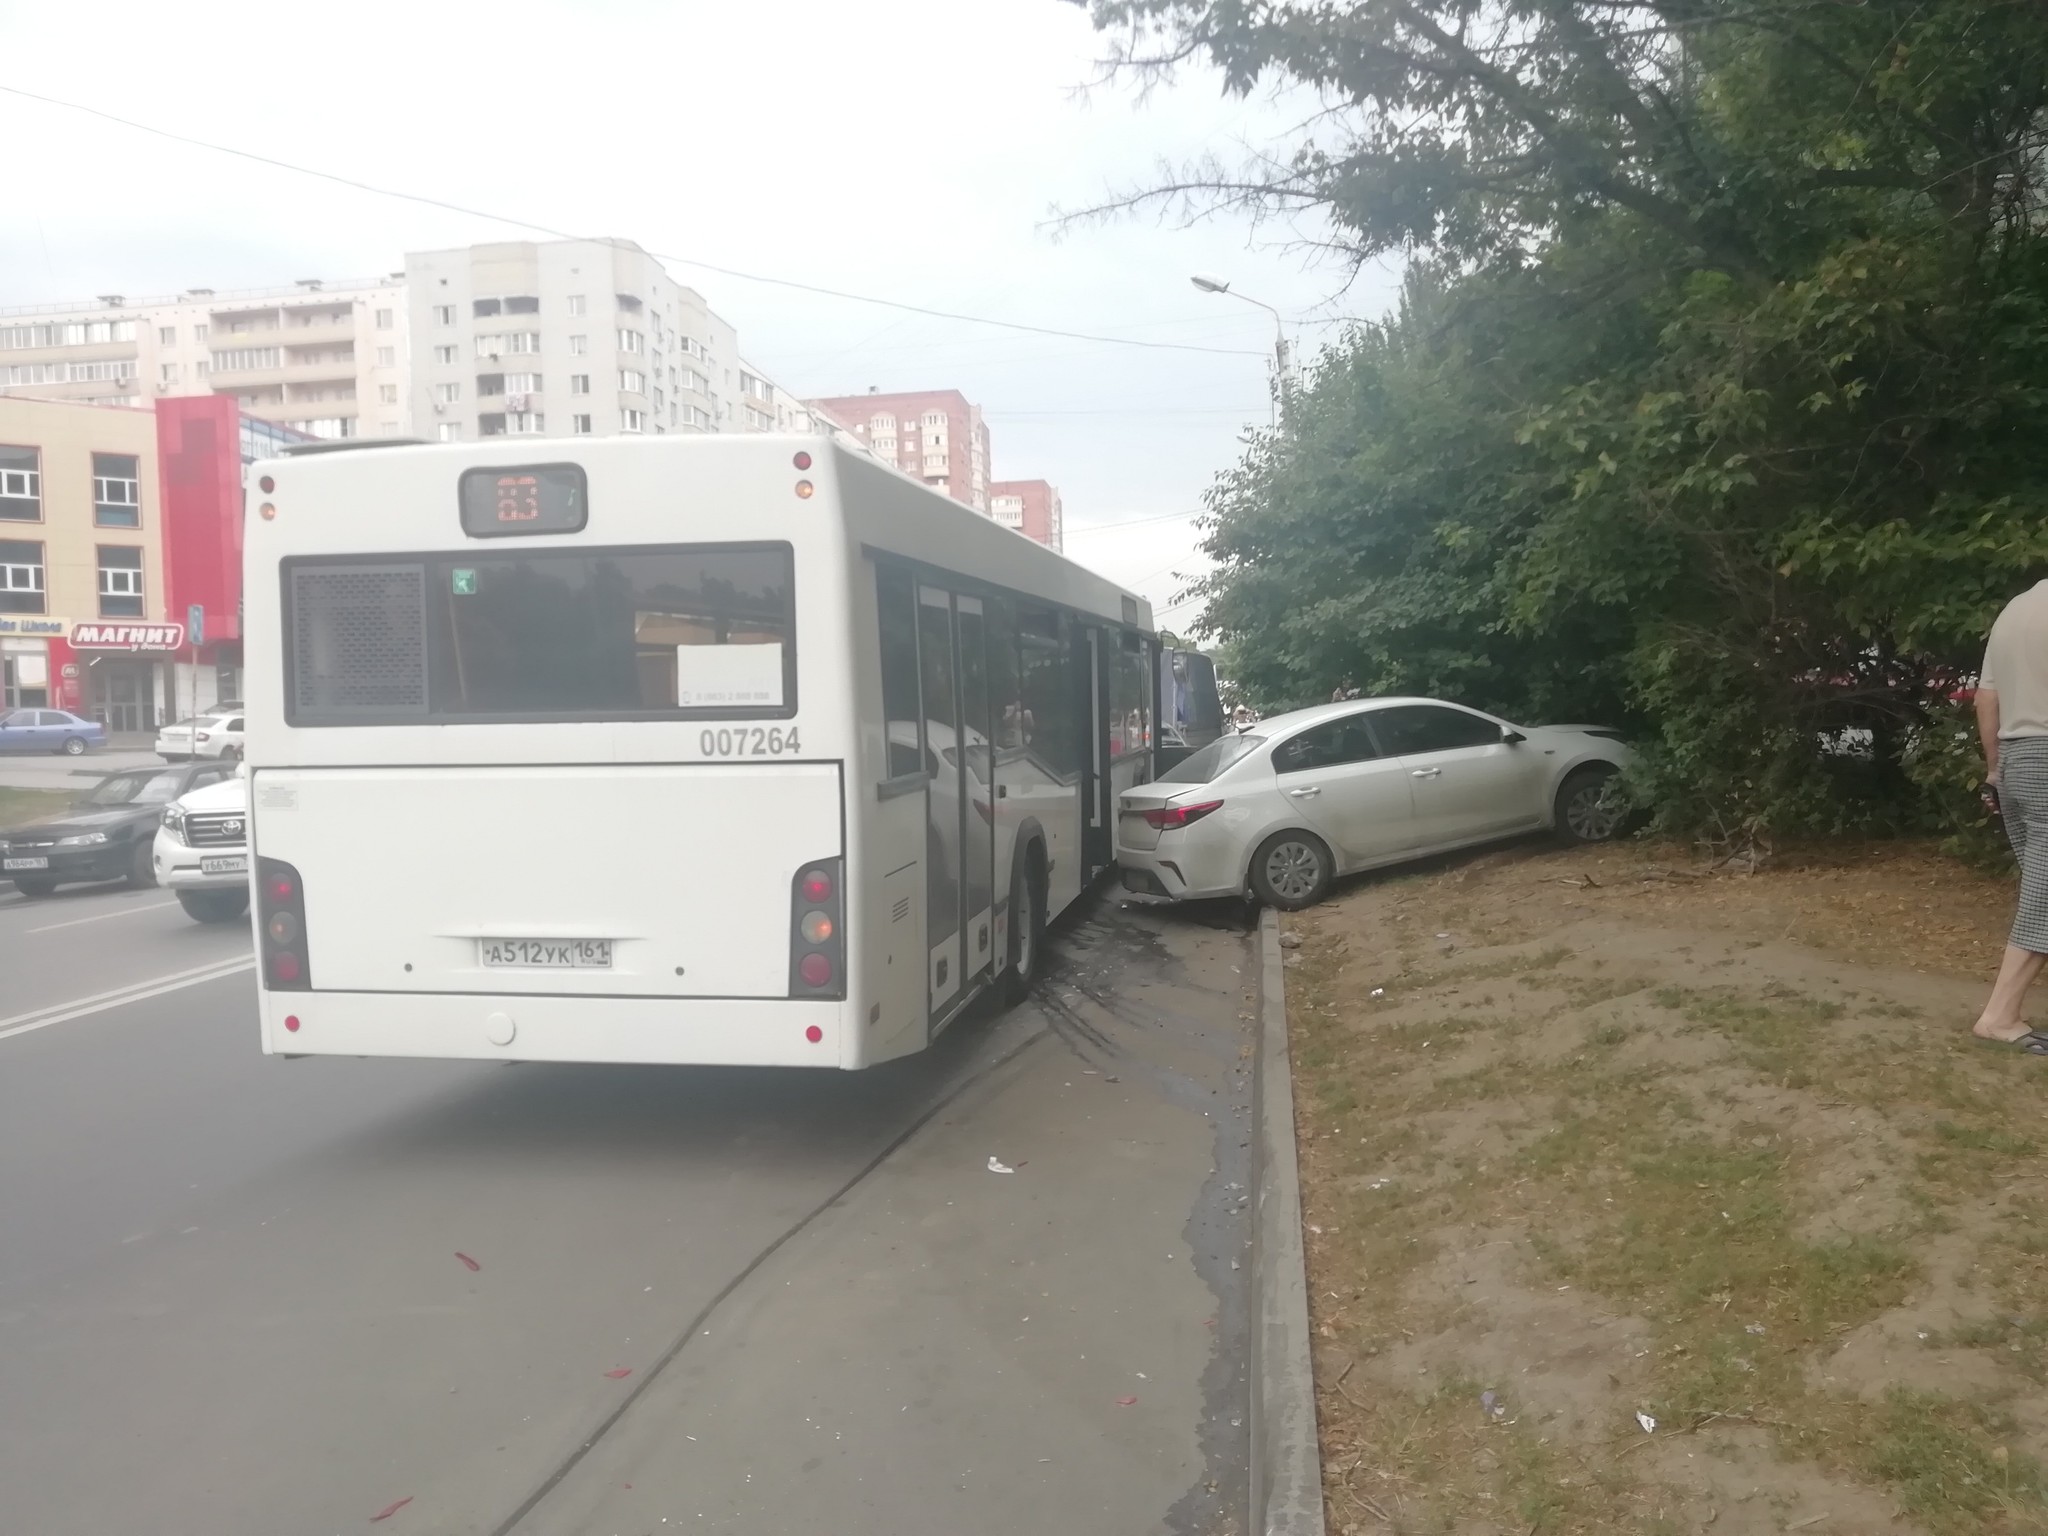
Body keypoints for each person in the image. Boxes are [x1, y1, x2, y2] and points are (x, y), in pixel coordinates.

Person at [1973, 576, 2048, 1048]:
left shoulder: (2014, 611)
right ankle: (1999, 1016)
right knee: (2045, 895)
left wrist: (1995, 772)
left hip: (2016, 758)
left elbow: (1986, 698)